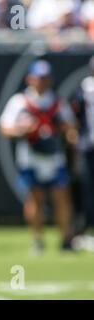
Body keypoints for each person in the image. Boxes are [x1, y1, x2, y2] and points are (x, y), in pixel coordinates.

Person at [0, 60, 78, 254]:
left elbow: (71, 128)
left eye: (45, 78)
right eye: (38, 78)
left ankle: (66, 238)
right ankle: (37, 239)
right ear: (30, 79)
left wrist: (67, 133)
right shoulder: (20, 102)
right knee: (36, 198)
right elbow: (5, 127)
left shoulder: (57, 102)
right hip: (30, 156)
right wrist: (23, 129)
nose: (41, 82)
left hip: (54, 156)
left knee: (61, 196)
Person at [70, 56, 94, 234]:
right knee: (85, 186)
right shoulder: (84, 88)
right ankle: (83, 227)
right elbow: (74, 116)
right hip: (87, 146)